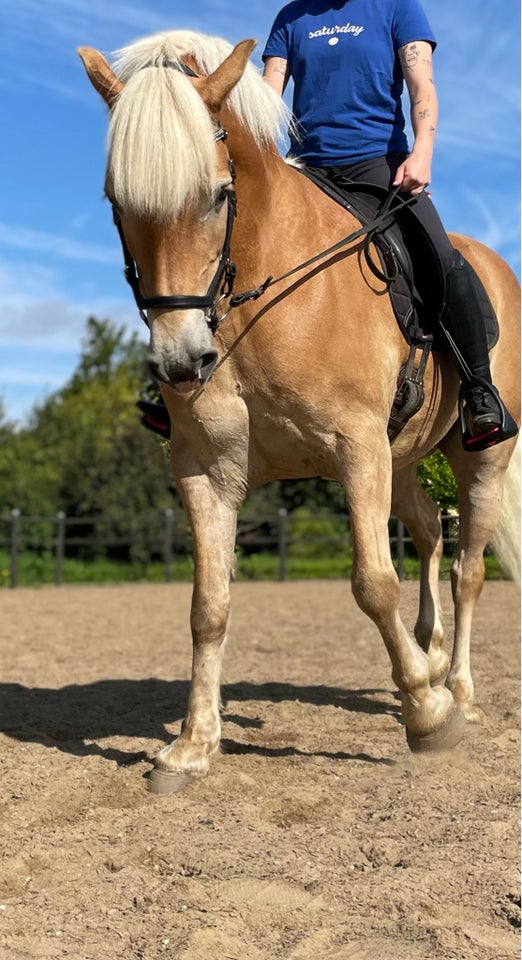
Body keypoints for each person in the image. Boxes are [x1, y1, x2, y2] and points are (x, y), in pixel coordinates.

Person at [262, 0, 517, 449]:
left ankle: (480, 389)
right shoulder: (290, 18)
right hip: (305, 169)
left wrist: (421, 153)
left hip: (378, 165)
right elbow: (265, 101)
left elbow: (422, 86)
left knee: (440, 256)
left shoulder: (397, 7)